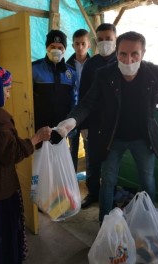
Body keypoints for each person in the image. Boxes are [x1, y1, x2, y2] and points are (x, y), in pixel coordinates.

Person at [56, 31, 158, 223]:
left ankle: (149, 221)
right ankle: (105, 223)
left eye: (134, 54)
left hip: (143, 137)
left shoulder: (157, 74)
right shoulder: (104, 74)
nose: (128, 60)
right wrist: (72, 121)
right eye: (123, 54)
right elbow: (87, 103)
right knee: (108, 179)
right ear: (116, 52)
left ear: (143, 53)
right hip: (113, 136)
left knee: (147, 179)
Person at [0, 65, 51, 264]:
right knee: (3, 235)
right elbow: (11, 154)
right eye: (7, 89)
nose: (9, 94)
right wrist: (36, 139)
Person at [77, 23, 118, 209]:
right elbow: (83, 95)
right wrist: (83, 124)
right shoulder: (91, 64)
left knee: (113, 161)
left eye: (108, 39)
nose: (104, 43)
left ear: (116, 40)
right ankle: (93, 192)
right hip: (93, 122)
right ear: (95, 41)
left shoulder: (121, 62)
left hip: (116, 123)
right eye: (100, 39)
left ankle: (111, 193)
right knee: (92, 161)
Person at [32, 29, 76, 141]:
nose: (56, 50)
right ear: (46, 47)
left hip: (61, 128)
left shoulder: (71, 72)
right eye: (52, 46)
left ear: (65, 49)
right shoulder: (34, 69)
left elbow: (73, 99)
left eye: (60, 47)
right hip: (39, 128)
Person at [66, 28, 91, 172]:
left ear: (88, 45)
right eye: (77, 43)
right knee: (72, 149)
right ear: (72, 45)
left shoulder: (95, 64)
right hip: (72, 113)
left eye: (83, 43)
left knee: (89, 150)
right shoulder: (66, 65)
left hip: (89, 115)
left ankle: (89, 184)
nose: (80, 47)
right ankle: (71, 184)